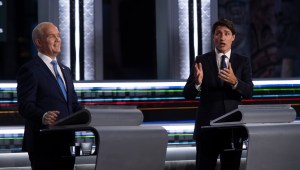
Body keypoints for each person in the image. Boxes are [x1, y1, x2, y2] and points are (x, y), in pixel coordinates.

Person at [183, 18, 253, 170]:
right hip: (207, 131)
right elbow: (187, 94)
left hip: (233, 131)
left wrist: (235, 81)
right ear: (213, 37)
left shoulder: (242, 62)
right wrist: (197, 83)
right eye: (218, 33)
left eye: (226, 33)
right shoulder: (201, 60)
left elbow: (249, 92)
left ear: (233, 37)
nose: (222, 37)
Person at [17, 22, 83, 170]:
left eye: (58, 36)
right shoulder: (30, 69)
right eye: (52, 36)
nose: (58, 39)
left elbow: (73, 105)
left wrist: (91, 116)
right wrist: (43, 115)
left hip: (67, 143)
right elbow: (24, 106)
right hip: (43, 145)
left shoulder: (65, 70)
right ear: (39, 42)